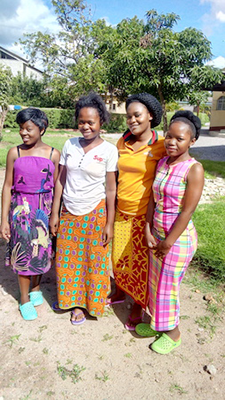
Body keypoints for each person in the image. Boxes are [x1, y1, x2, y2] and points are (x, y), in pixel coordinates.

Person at [135, 110, 204, 354]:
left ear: (192, 141)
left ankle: (173, 334)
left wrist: (168, 242)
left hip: (178, 240)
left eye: (180, 138)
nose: (172, 142)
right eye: (169, 136)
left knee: (167, 287)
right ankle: (157, 324)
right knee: (154, 284)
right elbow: (153, 199)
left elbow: (187, 212)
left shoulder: (193, 169)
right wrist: (147, 228)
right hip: (157, 234)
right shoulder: (163, 162)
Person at [50, 92, 118, 325]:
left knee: (94, 259)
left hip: (95, 211)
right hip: (69, 211)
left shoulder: (109, 151)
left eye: (91, 122)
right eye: (82, 121)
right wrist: (55, 212)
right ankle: (73, 302)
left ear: (101, 122)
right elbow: (61, 180)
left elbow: (111, 189)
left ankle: (92, 303)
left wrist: (109, 222)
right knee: (67, 259)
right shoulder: (69, 144)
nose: (86, 126)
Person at [110, 92, 166, 330]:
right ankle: (120, 291)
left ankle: (137, 307)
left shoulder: (162, 145)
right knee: (119, 258)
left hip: (145, 216)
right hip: (122, 211)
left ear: (150, 116)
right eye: (128, 116)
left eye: (137, 115)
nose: (132, 120)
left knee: (141, 267)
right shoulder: (122, 143)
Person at [0, 108, 60, 321]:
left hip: (43, 209)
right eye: (21, 129)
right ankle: (24, 298)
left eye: (29, 129)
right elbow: (7, 187)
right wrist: (3, 219)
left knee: (41, 250)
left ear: (42, 129)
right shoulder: (15, 153)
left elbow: (57, 187)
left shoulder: (53, 154)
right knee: (24, 252)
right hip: (21, 210)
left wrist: (54, 214)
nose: (23, 133)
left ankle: (35, 288)